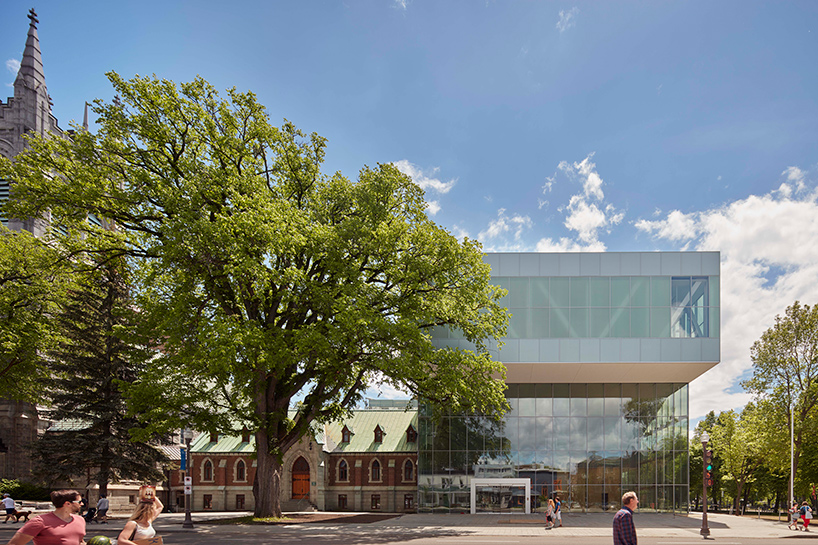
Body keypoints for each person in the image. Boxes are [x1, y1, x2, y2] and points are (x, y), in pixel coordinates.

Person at [6, 489, 85, 545]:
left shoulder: (80, 520)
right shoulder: (39, 522)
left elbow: (79, 541)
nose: (82, 504)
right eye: (80, 502)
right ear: (68, 504)